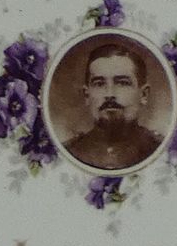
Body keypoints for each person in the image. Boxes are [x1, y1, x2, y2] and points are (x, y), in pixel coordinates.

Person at [61, 37, 165, 170]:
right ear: (87, 95)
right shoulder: (70, 151)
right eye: (99, 84)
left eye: (122, 83)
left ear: (143, 94)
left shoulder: (159, 150)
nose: (109, 94)